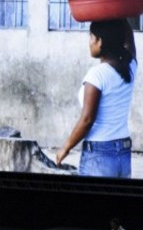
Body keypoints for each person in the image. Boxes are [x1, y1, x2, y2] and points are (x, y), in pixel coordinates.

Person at [55, 18, 137, 177]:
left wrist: (66, 147)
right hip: (124, 151)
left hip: (100, 154)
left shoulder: (97, 75)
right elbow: (129, 40)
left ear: (100, 41)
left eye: (91, 37)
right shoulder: (131, 67)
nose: (89, 42)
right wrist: (120, 13)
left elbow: (87, 120)